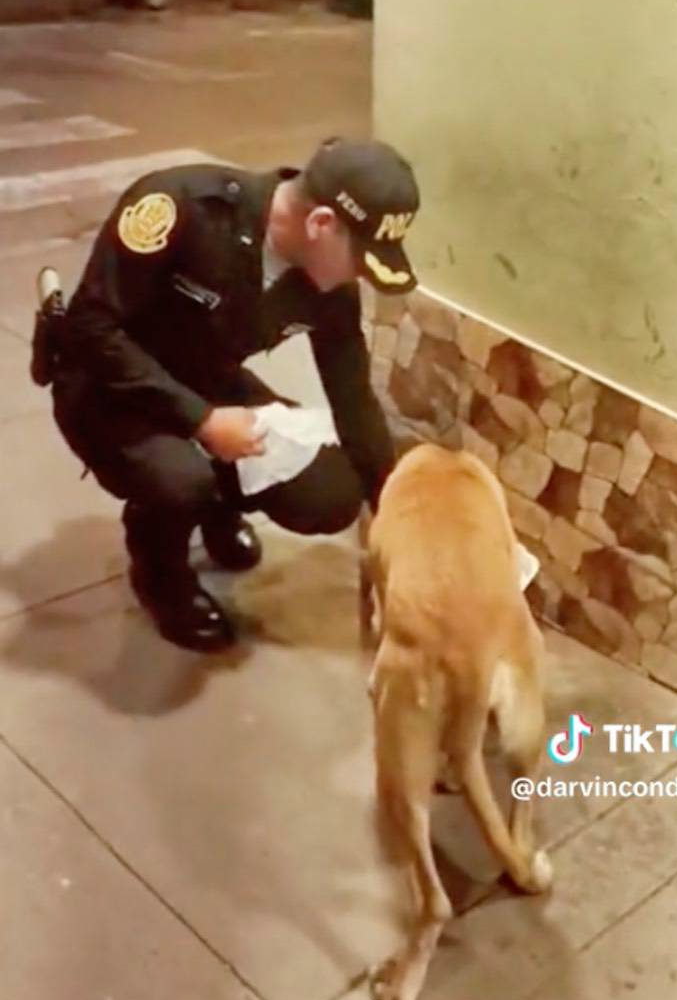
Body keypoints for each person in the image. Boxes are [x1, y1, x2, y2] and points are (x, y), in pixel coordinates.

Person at [47, 138, 420, 653]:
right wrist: (199, 420)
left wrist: (403, 516)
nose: (361, 274)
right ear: (320, 225)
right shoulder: (182, 209)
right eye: (361, 258)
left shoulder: (327, 285)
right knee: (180, 482)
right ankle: (161, 575)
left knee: (332, 492)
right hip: (105, 387)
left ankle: (216, 506)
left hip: (207, 380)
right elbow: (90, 329)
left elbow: (352, 397)